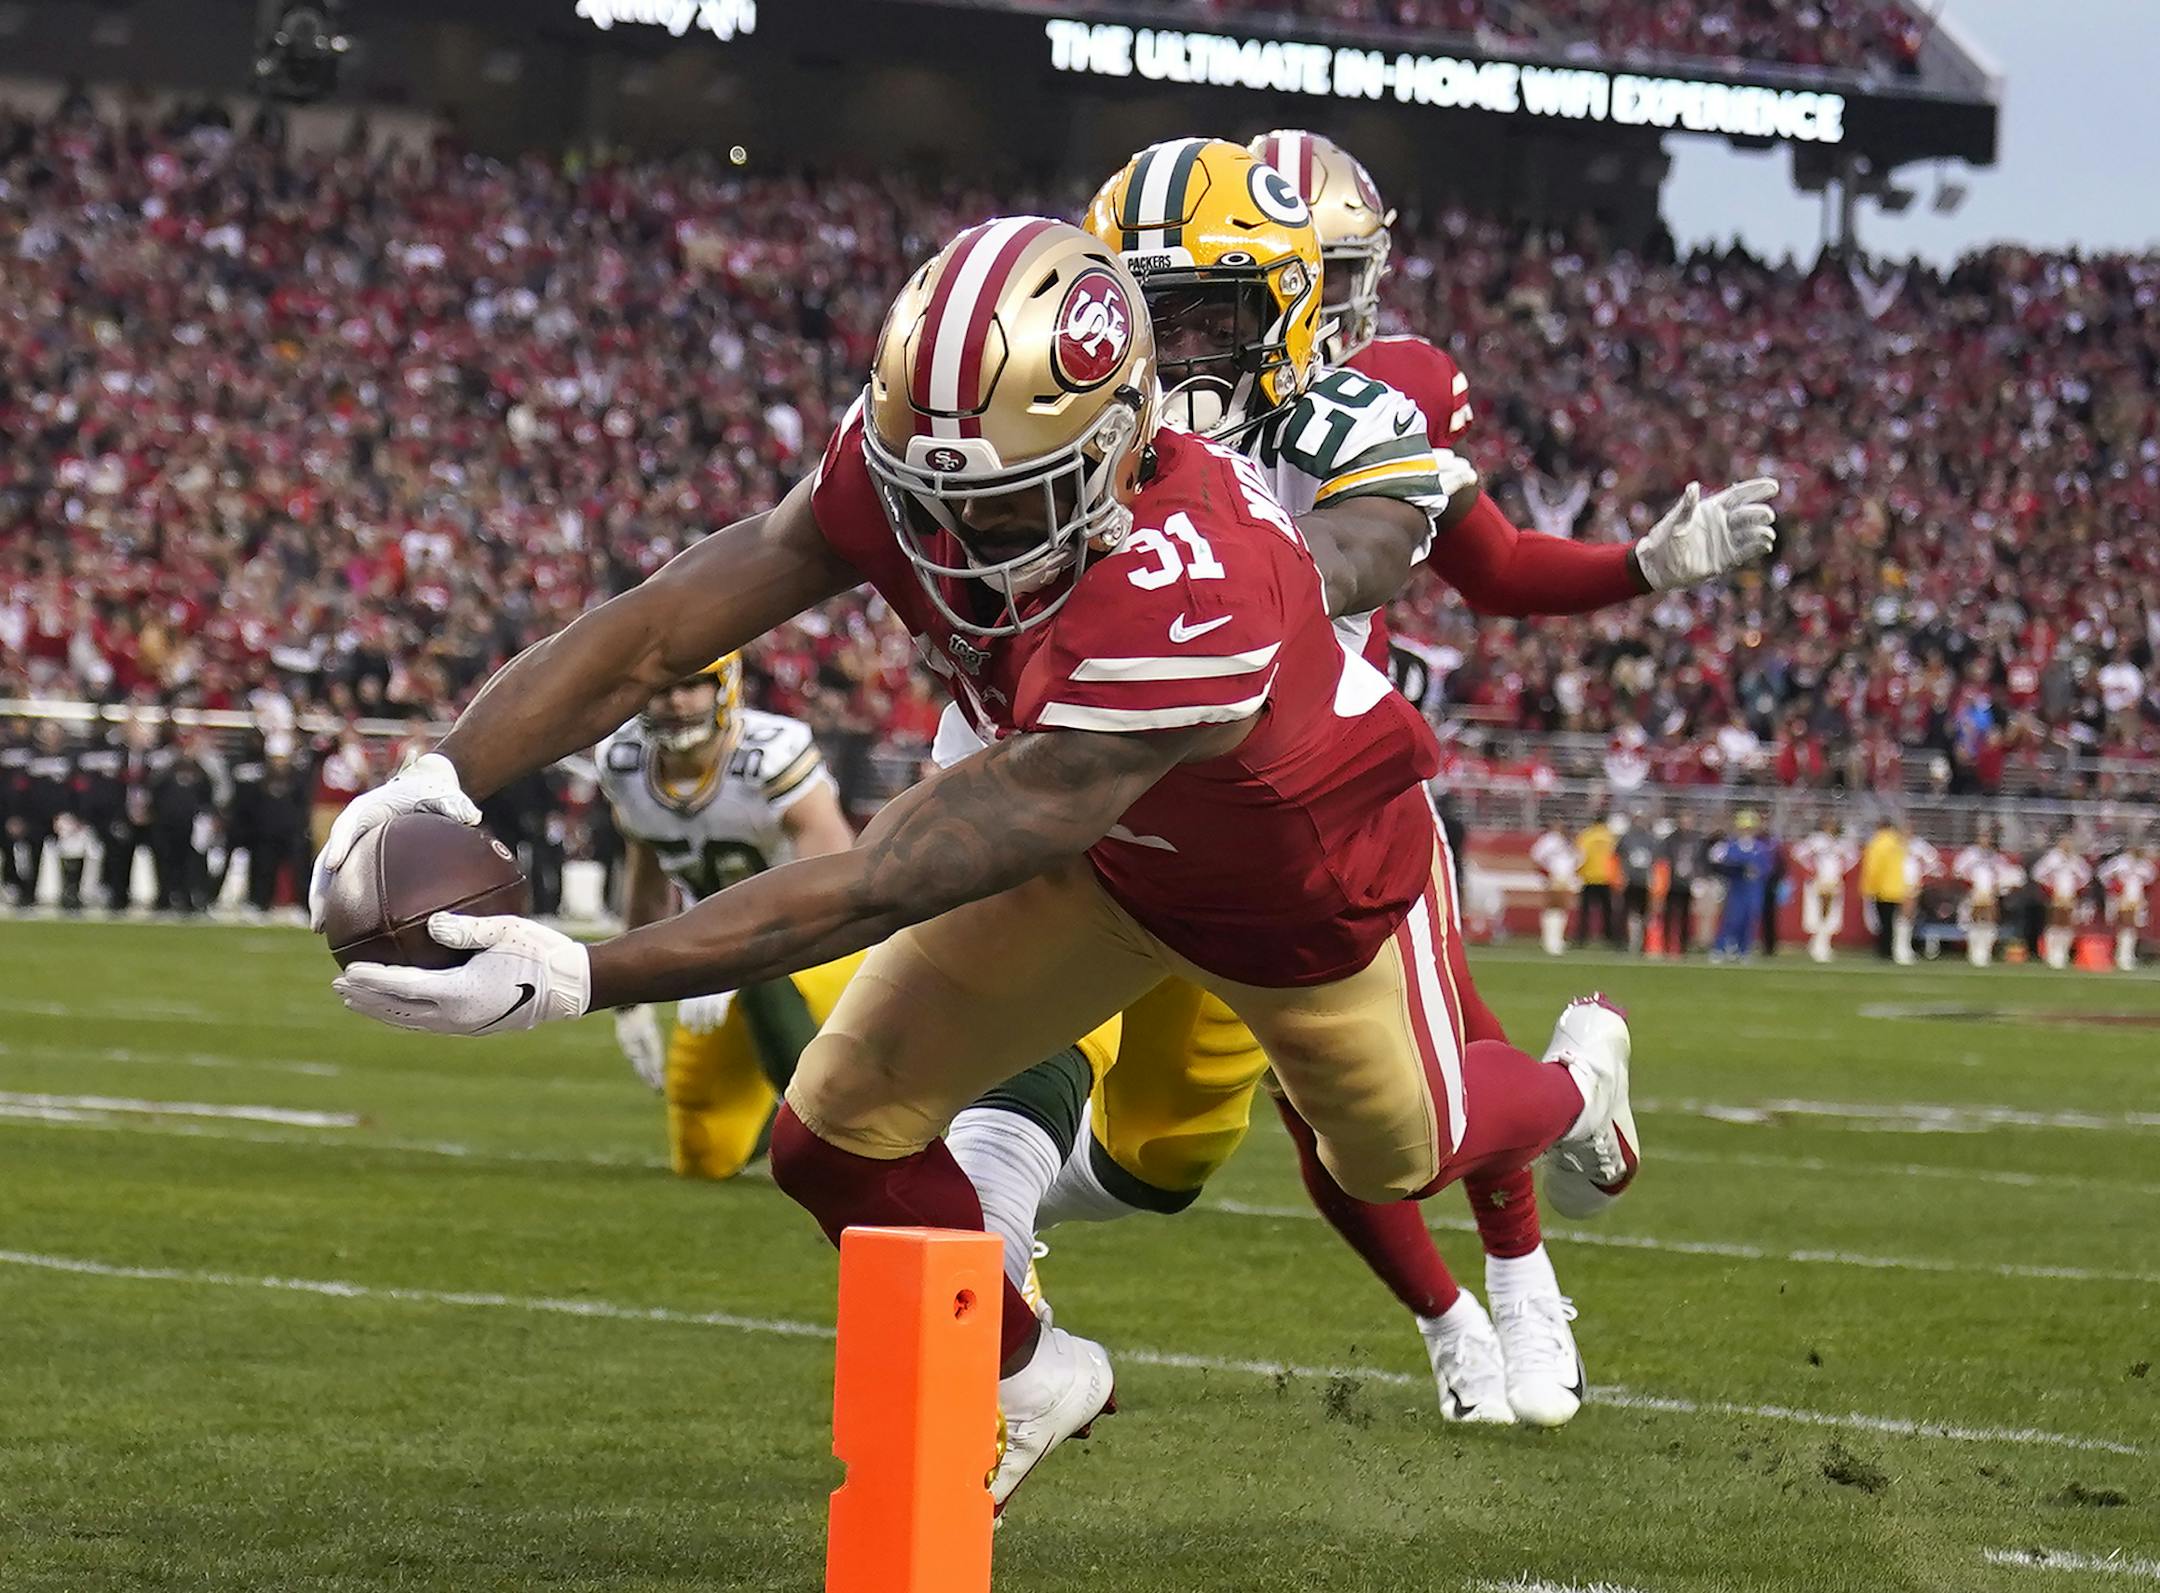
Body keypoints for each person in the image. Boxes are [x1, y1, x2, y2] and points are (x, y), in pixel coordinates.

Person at [321, 220, 1652, 1506]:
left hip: (1297, 884)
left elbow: (891, 869)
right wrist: (436, 776)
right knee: (832, 1138)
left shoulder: (1199, 583)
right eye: (934, 504)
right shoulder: (912, 464)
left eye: (1015, 504)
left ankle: (1574, 1084)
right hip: (1104, 861)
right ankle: (1027, 1373)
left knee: (1393, 1155)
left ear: (1127, 447)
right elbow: (664, 628)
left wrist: (583, 973)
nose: (961, 547)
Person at [598, 652, 890, 1180]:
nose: (675, 701)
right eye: (661, 688)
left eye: (692, 684)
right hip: (724, 959)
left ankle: (833, 1136)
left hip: (825, 947)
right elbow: (646, 876)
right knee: (706, 1152)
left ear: (725, 687)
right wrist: (628, 994)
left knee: (763, 980)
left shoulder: (771, 753)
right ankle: (787, 1124)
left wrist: (730, 958)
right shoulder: (622, 760)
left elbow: (833, 885)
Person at [1709, 810, 1776, 961]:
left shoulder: (1761, 848)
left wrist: (1757, 871)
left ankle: (1743, 950)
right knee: (1732, 919)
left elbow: (1767, 868)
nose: (1746, 832)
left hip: (1753, 889)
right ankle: (1721, 948)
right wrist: (1738, 868)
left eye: (1749, 828)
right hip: (1736, 888)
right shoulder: (1730, 846)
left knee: (1749, 920)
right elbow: (1721, 864)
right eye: (1743, 828)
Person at [1790, 819, 1860, 963]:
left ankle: (1820, 942)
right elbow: (1798, 852)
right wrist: (1811, 867)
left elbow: (1854, 856)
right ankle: (1819, 944)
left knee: (1830, 912)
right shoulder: (1817, 840)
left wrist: (1843, 869)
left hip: (1834, 880)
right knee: (1819, 911)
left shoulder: (1842, 843)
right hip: (1819, 879)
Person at [1952, 822, 2022, 967]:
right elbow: (1957, 871)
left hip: (1991, 894)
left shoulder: (1996, 858)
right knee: (1975, 920)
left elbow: (2007, 875)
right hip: (1974, 893)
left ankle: (1985, 951)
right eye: (1983, 837)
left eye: (1988, 837)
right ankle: (1974, 950)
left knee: (1990, 921)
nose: (1986, 840)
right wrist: (1970, 883)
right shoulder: (1969, 855)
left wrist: (2000, 886)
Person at [2031, 835, 2094, 970]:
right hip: (2055, 896)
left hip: (2070, 897)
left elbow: (2086, 877)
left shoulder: (2076, 860)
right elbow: (2038, 874)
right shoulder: (2051, 858)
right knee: (2054, 924)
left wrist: (2076, 891)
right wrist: (2051, 890)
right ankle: (2050, 954)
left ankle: (2062, 953)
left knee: (2067, 926)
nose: (2067, 845)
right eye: (2064, 842)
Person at [1859, 816, 1910, 962]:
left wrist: (1869, 887)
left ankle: (1884, 950)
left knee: (1883, 921)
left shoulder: (1878, 842)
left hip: (1882, 887)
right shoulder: (1898, 842)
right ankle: (1891, 949)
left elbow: (1873, 867)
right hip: (1897, 887)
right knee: (1891, 921)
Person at [2099, 841, 2156, 971]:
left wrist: (2144, 890)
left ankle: (2127, 955)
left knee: (2132, 929)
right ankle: (2122, 957)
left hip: (2137, 898)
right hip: (2122, 898)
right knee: (2125, 927)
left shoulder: (2144, 864)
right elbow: (2103, 874)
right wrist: (2115, 888)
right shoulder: (2119, 862)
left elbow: (2150, 878)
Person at [1656, 814, 1703, 957]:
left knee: (1685, 916)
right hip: (1672, 883)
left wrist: (1699, 878)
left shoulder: (1697, 841)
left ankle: (1683, 947)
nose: (1686, 825)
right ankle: (1666, 945)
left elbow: (1700, 861)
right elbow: (1663, 860)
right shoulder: (1670, 840)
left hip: (1688, 883)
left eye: (1688, 822)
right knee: (1669, 915)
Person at [1530, 824, 1579, 957]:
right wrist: (1547, 874)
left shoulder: (1570, 841)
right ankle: (1550, 941)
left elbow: (1578, 859)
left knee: (1562, 909)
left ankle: (1557, 939)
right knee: (1553, 908)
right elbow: (1536, 856)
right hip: (1554, 877)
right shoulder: (1549, 840)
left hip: (1566, 878)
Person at [1574, 812, 1621, 948]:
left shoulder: (1585, 836)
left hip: (1589, 878)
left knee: (1585, 912)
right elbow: (1616, 857)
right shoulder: (1611, 837)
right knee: (1608, 912)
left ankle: (1581, 938)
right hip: (1606, 878)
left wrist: (1578, 873)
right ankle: (1611, 938)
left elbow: (1580, 856)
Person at [1616, 812, 1656, 953]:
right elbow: (1618, 857)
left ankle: (1644, 942)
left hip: (1644, 881)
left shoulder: (1651, 840)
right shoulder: (1626, 838)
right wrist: (1621, 875)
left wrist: (1653, 878)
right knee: (1629, 913)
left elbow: (1656, 861)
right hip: (1630, 880)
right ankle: (1631, 942)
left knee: (1644, 914)